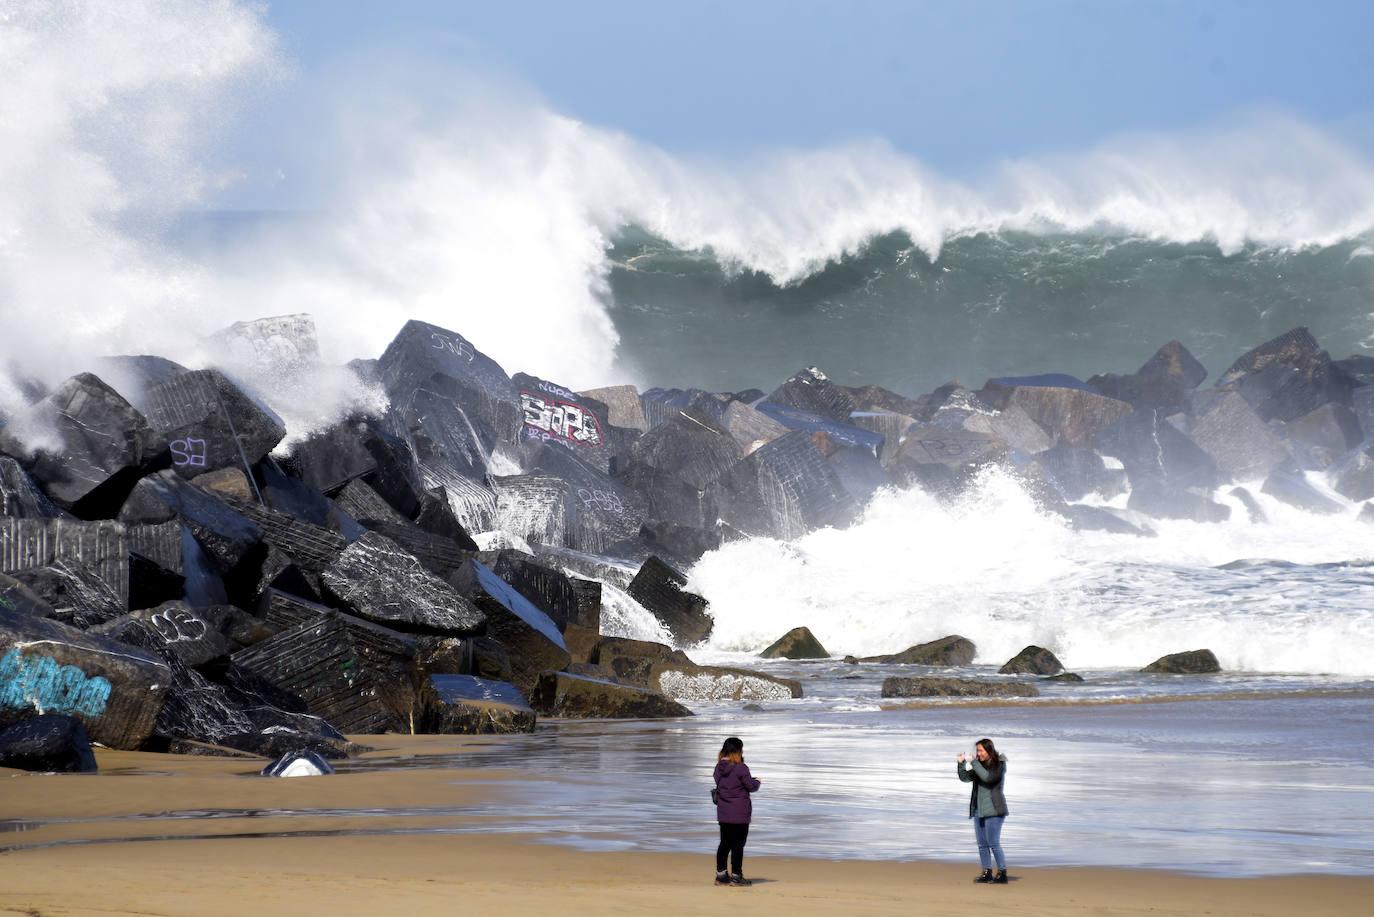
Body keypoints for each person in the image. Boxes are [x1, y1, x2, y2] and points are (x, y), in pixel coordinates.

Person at [957, 737, 1009, 884]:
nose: (978, 753)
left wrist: (974, 762)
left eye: (980, 750)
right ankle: (987, 872)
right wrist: (961, 764)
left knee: (993, 843)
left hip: (994, 811)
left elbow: (988, 778)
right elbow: (965, 778)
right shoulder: (979, 765)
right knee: (982, 844)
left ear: (988, 750)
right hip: (978, 811)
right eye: (977, 750)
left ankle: (1002, 873)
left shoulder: (999, 764)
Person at [713, 735, 761, 886]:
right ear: (738, 751)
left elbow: (726, 783)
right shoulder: (741, 768)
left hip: (724, 812)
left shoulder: (718, 768)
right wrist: (757, 781)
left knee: (724, 843)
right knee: (738, 845)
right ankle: (736, 876)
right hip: (740, 813)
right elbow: (751, 786)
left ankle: (721, 876)